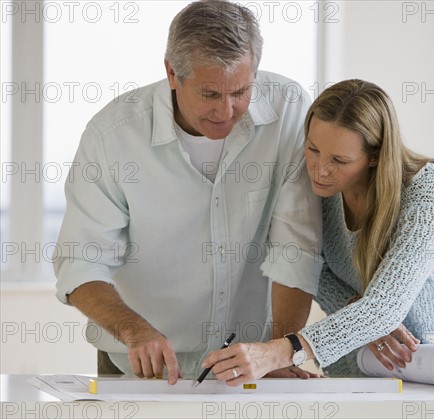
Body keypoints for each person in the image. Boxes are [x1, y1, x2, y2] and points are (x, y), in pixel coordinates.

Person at [53, 0, 322, 384]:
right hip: (139, 369)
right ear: (172, 73)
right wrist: (134, 330)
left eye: (241, 91)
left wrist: (279, 349)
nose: (227, 110)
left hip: (251, 367)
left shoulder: (290, 110)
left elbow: (296, 246)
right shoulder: (112, 136)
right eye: (210, 94)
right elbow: (80, 263)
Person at [201, 79, 434, 384]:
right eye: (313, 149)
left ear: (374, 156)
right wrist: (356, 314)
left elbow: (384, 307)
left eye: (339, 161)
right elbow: (315, 269)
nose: (319, 170)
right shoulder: (323, 190)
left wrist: (279, 351)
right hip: (376, 366)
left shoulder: (427, 196)